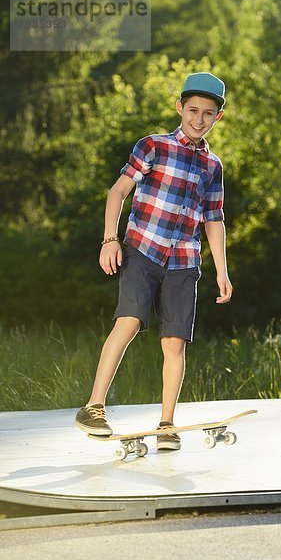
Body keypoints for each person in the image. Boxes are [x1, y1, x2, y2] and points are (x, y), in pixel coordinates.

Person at [75, 72, 233, 450]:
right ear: (180, 108)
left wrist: (222, 272)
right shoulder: (153, 147)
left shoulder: (213, 166)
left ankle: (166, 424)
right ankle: (94, 407)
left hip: (184, 261)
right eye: (192, 110)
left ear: (218, 118)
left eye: (207, 114)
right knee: (128, 322)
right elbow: (118, 192)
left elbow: (214, 219)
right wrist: (109, 239)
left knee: (174, 343)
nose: (198, 119)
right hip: (142, 250)